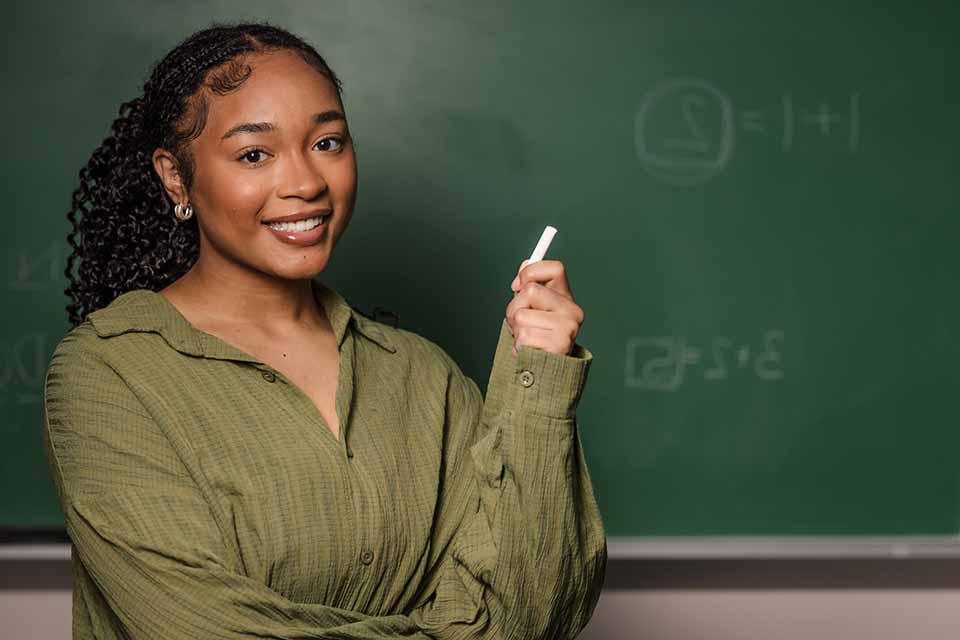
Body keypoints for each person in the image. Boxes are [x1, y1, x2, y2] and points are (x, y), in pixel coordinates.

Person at [43, 21, 606, 639]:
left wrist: (540, 380)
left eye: (329, 143)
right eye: (254, 154)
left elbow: (529, 613)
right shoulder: (108, 372)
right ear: (176, 178)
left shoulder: (422, 375)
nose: (306, 182)